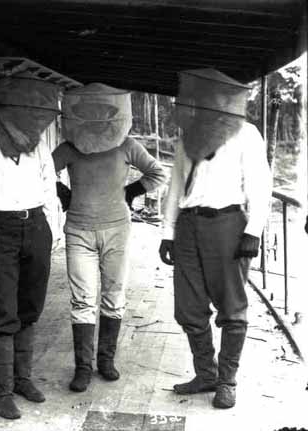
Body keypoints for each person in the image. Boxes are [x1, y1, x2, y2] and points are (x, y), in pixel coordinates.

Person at [159, 68, 272, 409]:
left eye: (217, 99)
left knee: (232, 308)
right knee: (188, 308)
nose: (211, 105)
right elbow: (175, 186)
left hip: (228, 223)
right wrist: (167, 233)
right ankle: (205, 373)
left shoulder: (246, 134)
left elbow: (260, 185)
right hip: (189, 226)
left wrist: (253, 231)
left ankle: (227, 381)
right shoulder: (187, 138)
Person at [52, 83, 167, 392]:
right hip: (78, 230)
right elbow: (40, 172)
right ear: (78, 114)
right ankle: (82, 368)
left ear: (111, 114)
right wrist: (64, 195)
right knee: (83, 298)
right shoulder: (69, 146)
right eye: (88, 112)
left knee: (114, 295)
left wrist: (131, 191)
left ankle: (106, 361)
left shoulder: (127, 144)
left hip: (117, 228)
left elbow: (158, 173)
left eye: (101, 112)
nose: (95, 117)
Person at [0, 77, 59, 420]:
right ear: (8, 113)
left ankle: (23, 380)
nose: (32, 121)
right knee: (5, 310)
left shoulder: (41, 148)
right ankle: (2, 392)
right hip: (0, 229)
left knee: (30, 306)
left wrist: (51, 231)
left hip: (36, 227)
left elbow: (50, 191)